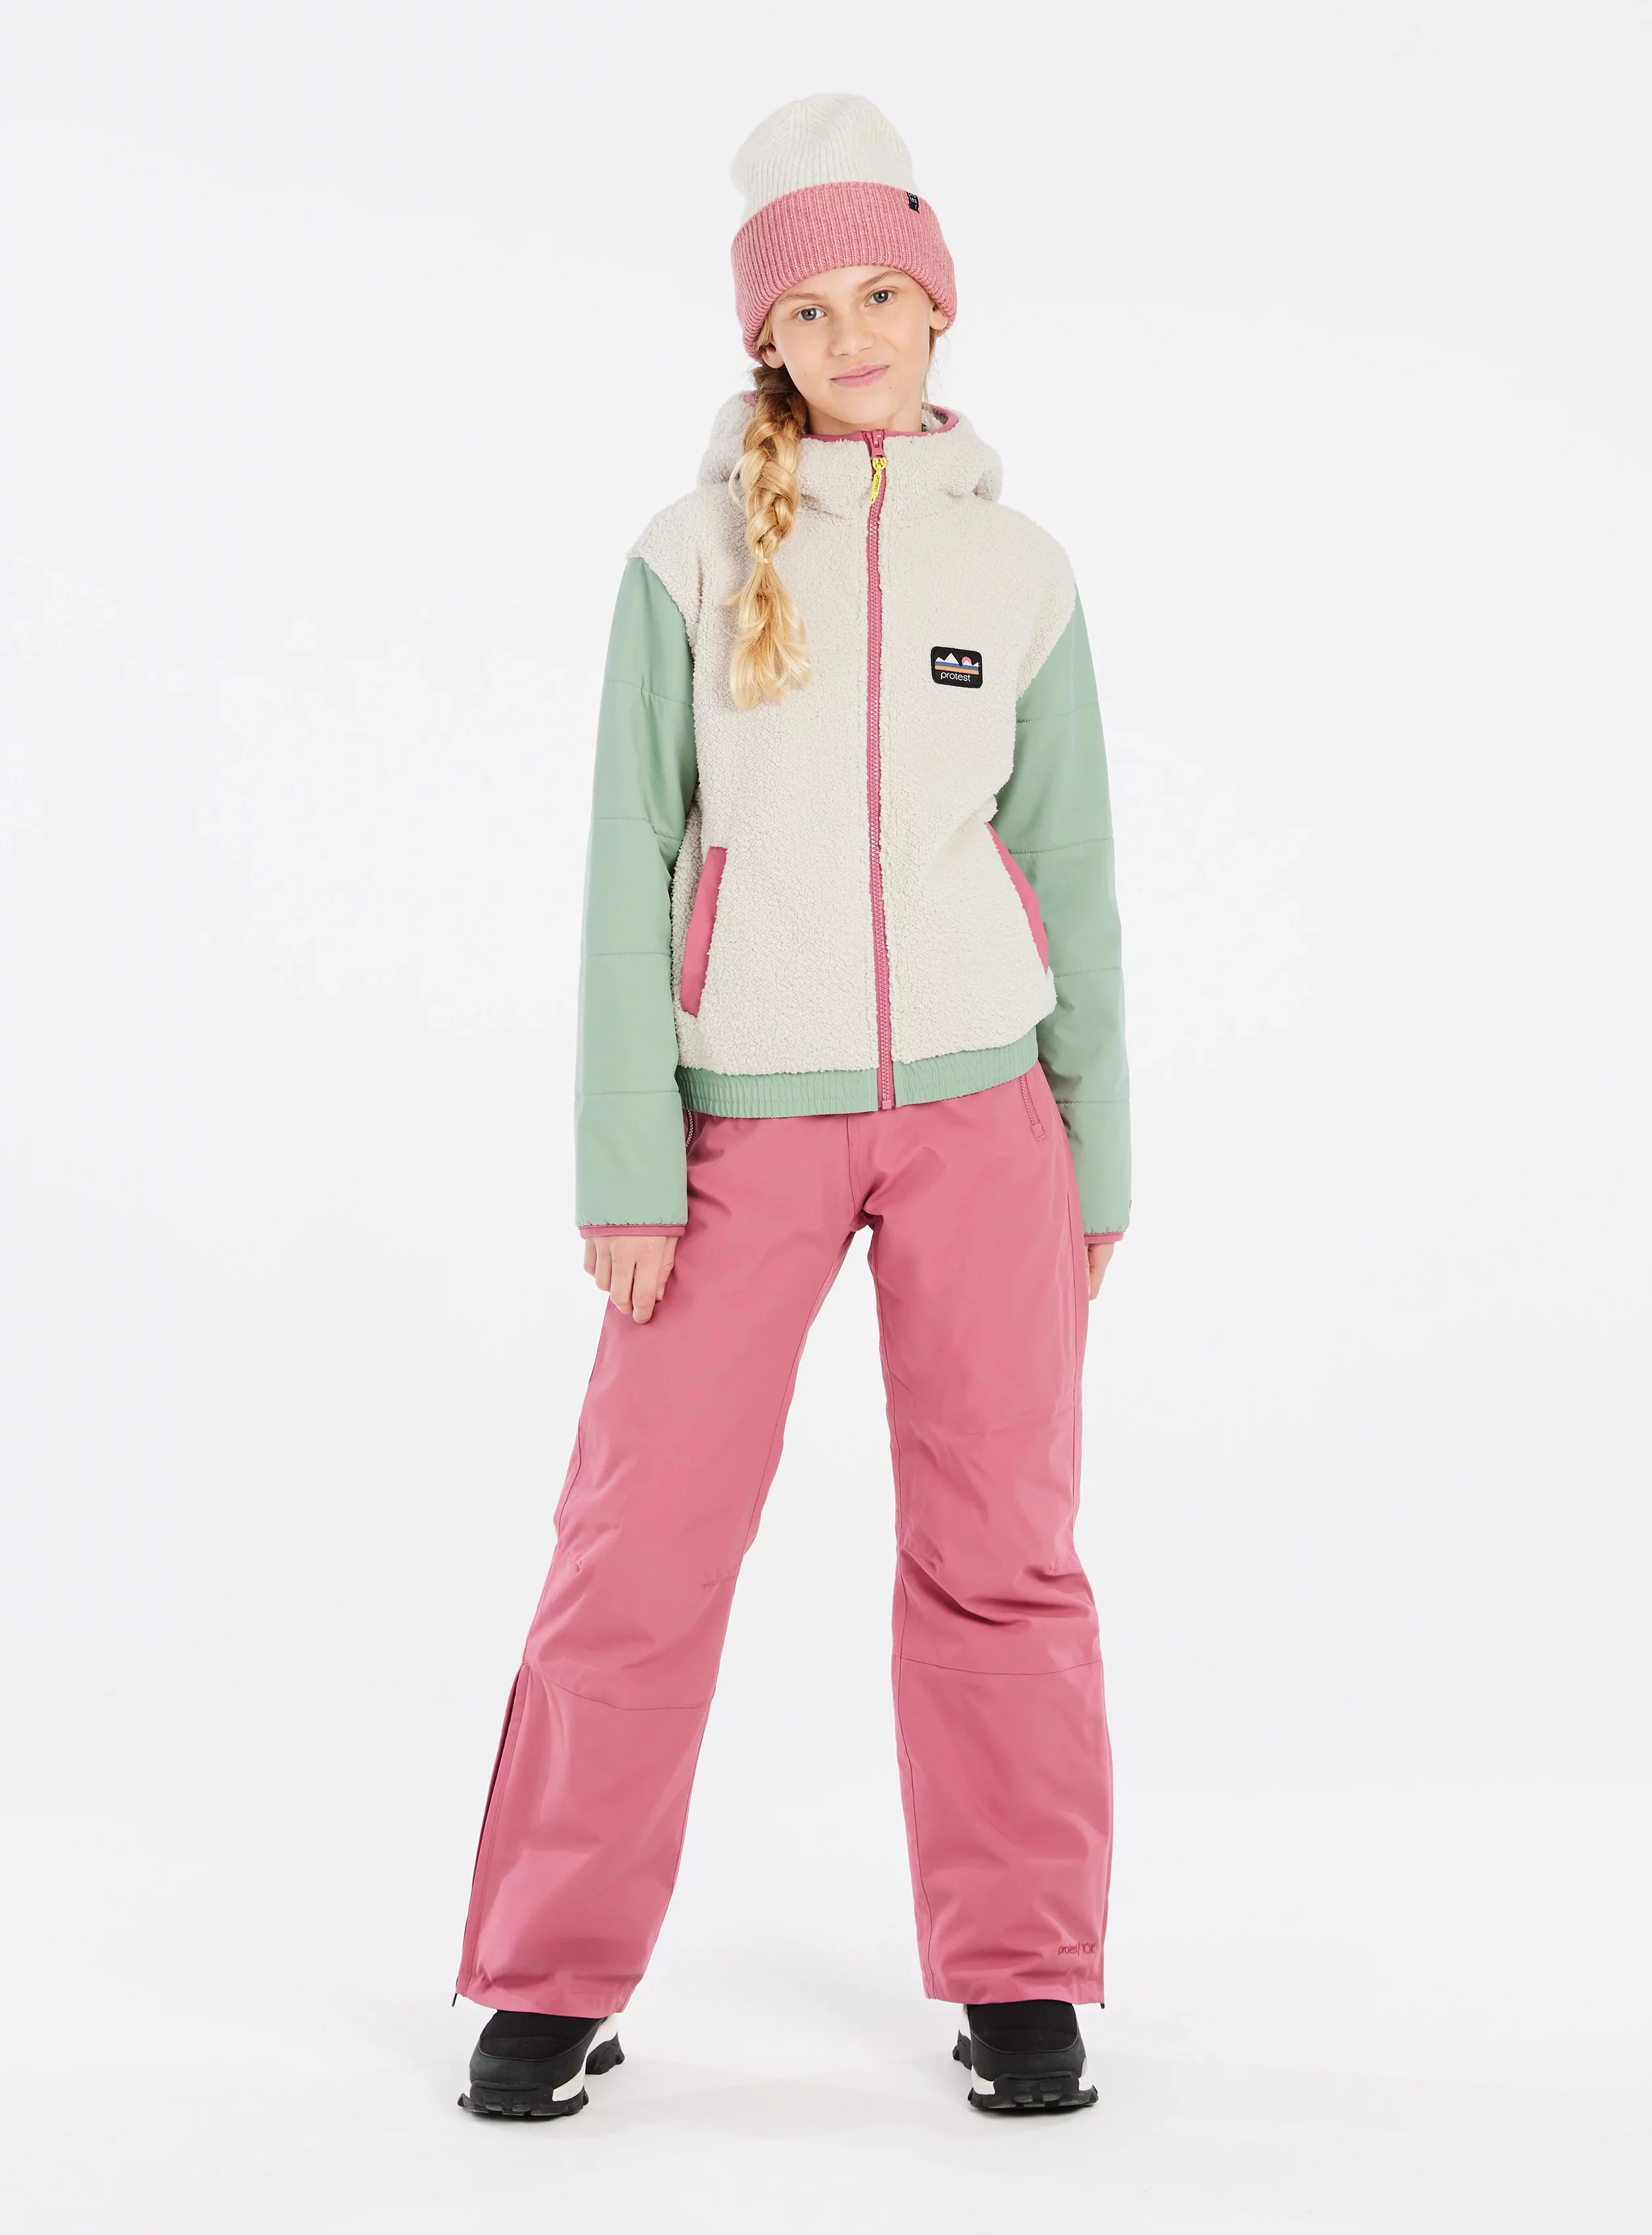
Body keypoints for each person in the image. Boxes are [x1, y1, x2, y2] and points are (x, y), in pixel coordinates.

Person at [455, 91, 1131, 2121]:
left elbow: (1073, 875)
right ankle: (549, 1974)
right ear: (766, 335)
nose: (853, 336)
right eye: (811, 307)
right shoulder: (684, 561)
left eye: (884, 297)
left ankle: (1023, 1970)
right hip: (736, 1126)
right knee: (638, 1553)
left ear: (940, 308)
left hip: (987, 1121)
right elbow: (625, 868)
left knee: (1005, 1552)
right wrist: (626, 1162)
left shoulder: (1021, 571)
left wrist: (1096, 1159)